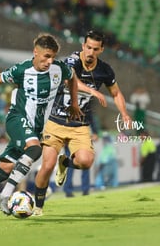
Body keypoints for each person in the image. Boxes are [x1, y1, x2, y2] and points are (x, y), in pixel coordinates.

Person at [0, 33, 82, 220]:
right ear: (36, 52)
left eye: (52, 57)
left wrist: (74, 103)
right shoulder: (22, 70)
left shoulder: (59, 69)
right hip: (17, 119)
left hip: (35, 128)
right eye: (46, 56)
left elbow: (73, 78)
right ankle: (4, 195)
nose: (49, 61)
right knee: (35, 149)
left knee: (3, 170)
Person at [33, 30, 131, 215]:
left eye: (95, 49)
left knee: (86, 162)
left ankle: (65, 163)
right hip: (56, 121)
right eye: (88, 47)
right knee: (46, 166)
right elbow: (72, 80)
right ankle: (37, 206)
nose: (90, 52)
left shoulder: (105, 70)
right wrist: (93, 91)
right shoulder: (72, 61)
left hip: (80, 126)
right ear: (82, 46)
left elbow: (116, 93)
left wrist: (124, 114)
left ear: (101, 50)